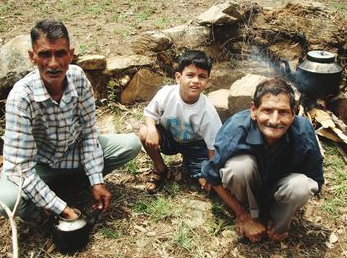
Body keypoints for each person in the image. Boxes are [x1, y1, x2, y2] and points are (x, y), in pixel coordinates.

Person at [0, 19, 141, 222]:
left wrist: (96, 181)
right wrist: (61, 209)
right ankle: (42, 216)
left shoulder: (78, 78)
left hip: (72, 154)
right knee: (6, 200)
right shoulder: (21, 97)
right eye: (45, 54)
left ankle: (76, 183)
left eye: (60, 53)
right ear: (32, 57)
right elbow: (21, 167)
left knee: (131, 144)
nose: (54, 63)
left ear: (70, 54)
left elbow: (89, 135)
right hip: (39, 165)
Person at [202, 78, 324, 242]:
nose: (274, 121)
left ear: (293, 113)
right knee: (238, 168)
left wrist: (285, 215)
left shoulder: (303, 131)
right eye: (267, 110)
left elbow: (315, 181)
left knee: (302, 184)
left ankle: (276, 224)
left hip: (280, 192)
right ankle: (250, 214)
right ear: (254, 110)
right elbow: (212, 175)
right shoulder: (236, 128)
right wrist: (242, 215)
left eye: (283, 112)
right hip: (246, 191)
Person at [139, 50, 222, 194]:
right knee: (144, 132)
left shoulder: (207, 110)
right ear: (178, 77)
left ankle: (191, 166)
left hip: (195, 146)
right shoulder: (166, 93)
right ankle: (161, 169)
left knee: (207, 185)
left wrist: (211, 173)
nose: (196, 80)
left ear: (207, 82)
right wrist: (152, 129)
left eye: (202, 76)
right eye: (190, 75)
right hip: (170, 138)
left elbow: (212, 147)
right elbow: (150, 113)